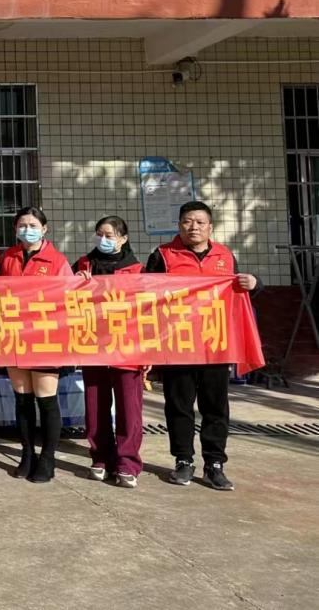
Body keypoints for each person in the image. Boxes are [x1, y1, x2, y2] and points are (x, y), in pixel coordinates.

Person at [144, 201, 259, 491]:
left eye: (199, 222)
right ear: (179, 225)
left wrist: (255, 284)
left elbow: (239, 293)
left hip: (215, 343)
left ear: (210, 226)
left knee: (215, 407)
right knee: (179, 406)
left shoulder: (225, 255)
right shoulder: (163, 255)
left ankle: (214, 464)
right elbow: (144, 295)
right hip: (177, 344)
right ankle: (183, 460)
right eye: (187, 221)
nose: (193, 227)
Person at [0, 205, 73, 484]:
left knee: (46, 399)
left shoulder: (57, 260)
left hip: (45, 337)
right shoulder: (9, 257)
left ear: (44, 229)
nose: (27, 230)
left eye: (32, 225)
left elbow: (70, 296)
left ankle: (48, 458)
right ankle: (27, 453)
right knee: (22, 398)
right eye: (22, 225)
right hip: (14, 335)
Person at [74, 216, 146, 489]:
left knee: (129, 406)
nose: (102, 239)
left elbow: (148, 310)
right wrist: (75, 282)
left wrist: (148, 350)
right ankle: (100, 456)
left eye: (109, 235)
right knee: (95, 404)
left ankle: (127, 462)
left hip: (128, 346)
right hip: (92, 342)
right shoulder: (83, 264)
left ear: (123, 239)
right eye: (99, 234)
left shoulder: (138, 269)